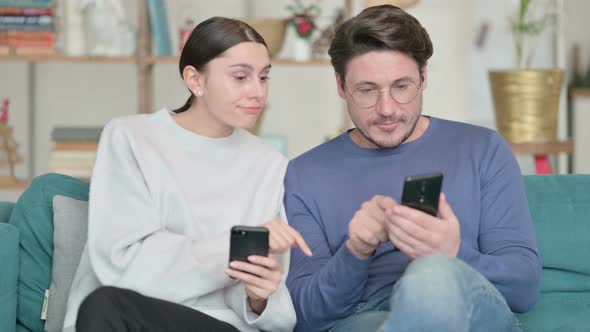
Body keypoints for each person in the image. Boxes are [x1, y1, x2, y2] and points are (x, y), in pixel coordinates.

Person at [284, 5, 541, 332]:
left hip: (471, 309)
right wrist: (355, 250)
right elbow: (304, 316)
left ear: (423, 77)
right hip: (367, 318)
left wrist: (453, 253)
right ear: (340, 85)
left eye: (401, 86)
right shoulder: (303, 175)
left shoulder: (483, 149)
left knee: (432, 275)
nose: (387, 109)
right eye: (367, 90)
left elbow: (525, 288)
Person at [62, 17, 311, 332]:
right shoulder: (131, 138)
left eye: (263, 77)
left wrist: (258, 299)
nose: (257, 91)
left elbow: (268, 305)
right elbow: (122, 265)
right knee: (104, 304)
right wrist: (232, 248)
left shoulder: (269, 164)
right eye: (240, 77)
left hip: (219, 326)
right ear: (195, 80)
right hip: (130, 317)